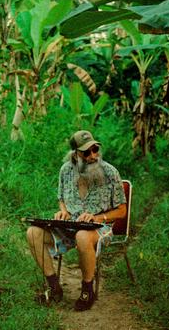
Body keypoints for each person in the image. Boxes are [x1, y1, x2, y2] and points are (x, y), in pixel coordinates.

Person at [26, 130, 127, 311]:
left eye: (95, 150)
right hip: (70, 226)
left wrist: (97, 217)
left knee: (82, 236)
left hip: (100, 228)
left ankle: (87, 289)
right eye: (86, 152)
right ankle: (54, 287)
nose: (93, 156)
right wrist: (62, 212)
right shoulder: (65, 170)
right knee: (33, 232)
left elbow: (122, 211)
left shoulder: (110, 172)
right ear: (75, 154)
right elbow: (62, 198)